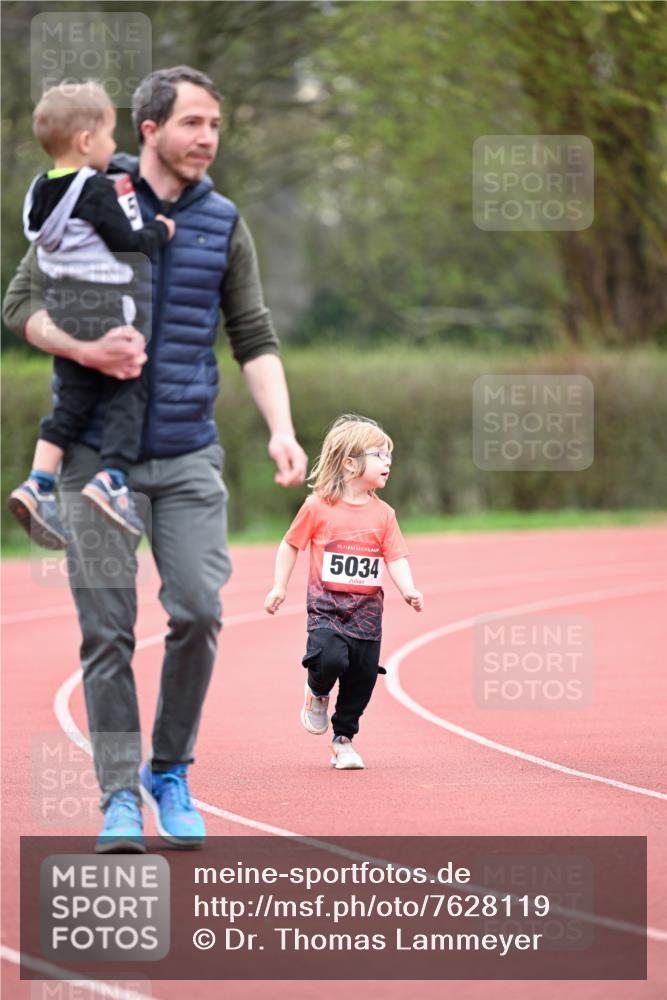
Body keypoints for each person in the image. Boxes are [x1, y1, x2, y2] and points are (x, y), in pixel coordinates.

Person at [3, 66, 308, 852]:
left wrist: (281, 427)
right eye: (193, 124)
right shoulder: (86, 197)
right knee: (106, 633)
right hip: (92, 460)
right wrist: (82, 347)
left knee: (199, 612)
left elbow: (253, 332)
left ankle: (168, 770)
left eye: (216, 124)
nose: (207, 138)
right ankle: (116, 797)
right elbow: (18, 305)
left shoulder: (224, 221)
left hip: (185, 458)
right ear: (148, 129)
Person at [8, 81, 176, 548]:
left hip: (65, 313)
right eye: (108, 135)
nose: (114, 145)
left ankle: (38, 482)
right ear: (85, 142)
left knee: (72, 403)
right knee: (130, 386)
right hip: (107, 308)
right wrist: (160, 230)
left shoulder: (39, 193)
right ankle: (112, 480)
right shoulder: (96, 190)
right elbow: (129, 246)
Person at [264, 415, 423, 770]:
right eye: (379, 454)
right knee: (330, 658)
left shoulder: (384, 514)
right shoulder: (318, 507)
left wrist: (408, 588)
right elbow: (290, 545)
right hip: (327, 611)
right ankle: (317, 691)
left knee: (362, 679)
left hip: (368, 617)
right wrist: (279, 586)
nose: (388, 462)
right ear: (350, 463)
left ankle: (343, 740)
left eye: (389, 456)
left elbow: (396, 556)